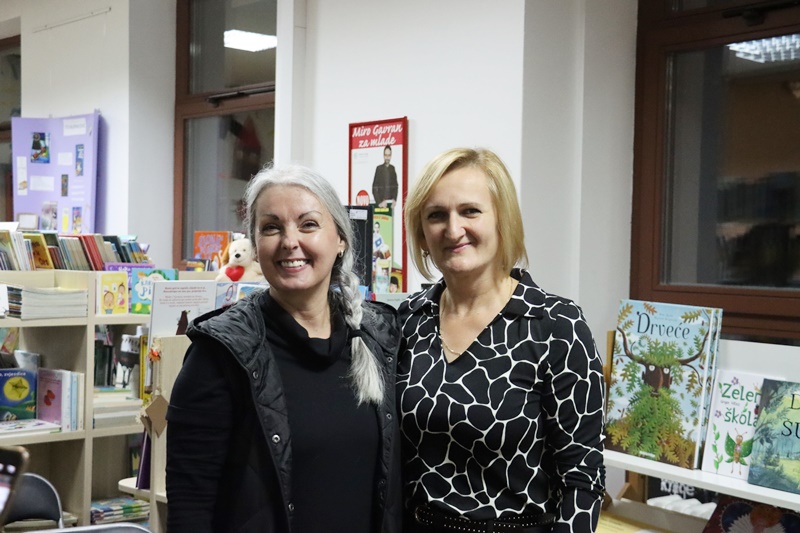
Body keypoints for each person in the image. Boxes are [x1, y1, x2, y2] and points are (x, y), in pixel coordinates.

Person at [166, 164, 403, 533]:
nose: (290, 241)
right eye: (271, 227)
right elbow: (190, 505)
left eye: (308, 224)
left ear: (340, 239)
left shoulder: (379, 336)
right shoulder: (221, 352)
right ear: (255, 246)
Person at [397, 147, 606, 533]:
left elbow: (582, 478)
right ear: (421, 233)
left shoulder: (555, 325)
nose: (453, 229)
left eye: (470, 211)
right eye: (436, 215)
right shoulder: (409, 321)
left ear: (502, 221)